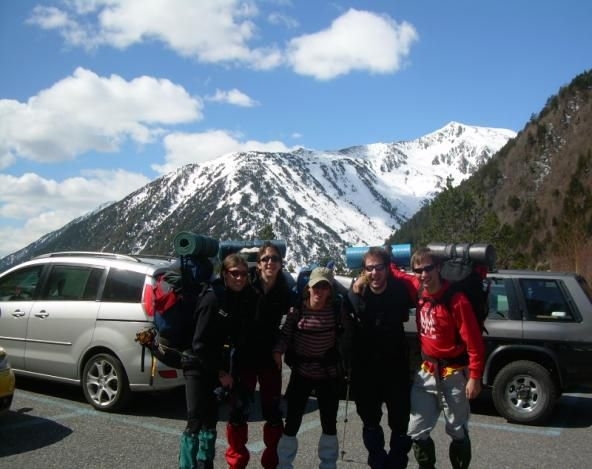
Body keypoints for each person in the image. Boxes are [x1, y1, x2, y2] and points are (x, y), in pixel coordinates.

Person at [394, 247, 485, 469]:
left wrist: (475, 377)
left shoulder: (456, 300)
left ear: (438, 268)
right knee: (416, 430)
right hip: (426, 373)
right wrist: (385, 264)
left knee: (457, 430)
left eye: (428, 269)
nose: (423, 275)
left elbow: (474, 342)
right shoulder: (419, 289)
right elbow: (400, 275)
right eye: (418, 270)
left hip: (454, 374)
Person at [224, 241, 294, 469]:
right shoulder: (246, 285)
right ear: (259, 264)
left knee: (273, 413)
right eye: (265, 259)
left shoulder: (285, 290)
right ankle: (236, 463)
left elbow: (291, 322)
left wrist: (280, 348)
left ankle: (271, 462)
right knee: (238, 412)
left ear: (281, 264)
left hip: (269, 358)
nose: (270, 262)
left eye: (275, 258)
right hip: (244, 357)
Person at [273, 267, 350, 469]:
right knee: (292, 422)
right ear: (309, 287)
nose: (319, 291)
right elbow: (285, 334)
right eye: (316, 286)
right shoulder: (297, 309)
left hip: (328, 375)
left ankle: (328, 464)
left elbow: (347, 334)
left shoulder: (335, 310)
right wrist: (278, 352)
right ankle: (284, 464)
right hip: (301, 373)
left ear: (330, 290)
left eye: (324, 286)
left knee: (329, 423)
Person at [348, 247, 415, 469]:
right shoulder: (357, 292)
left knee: (400, 421)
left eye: (379, 267)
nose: (374, 273)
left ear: (387, 269)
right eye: (369, 268)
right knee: (369, 420)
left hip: (395, 367)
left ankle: (396, 463)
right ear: (363, 271)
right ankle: (377, 461)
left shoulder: (399, 291)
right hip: (366, 369)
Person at [178, 256, 236, 469]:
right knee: (195, 421)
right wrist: (221, 373)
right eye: (234, 273)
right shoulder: (212, 300)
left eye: (243, 274)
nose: (239, 277)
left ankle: (205, 464)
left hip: (210, 366)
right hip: (196, 365)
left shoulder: (226, 297)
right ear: (224, 274)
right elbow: (199, 344)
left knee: (210, 421)